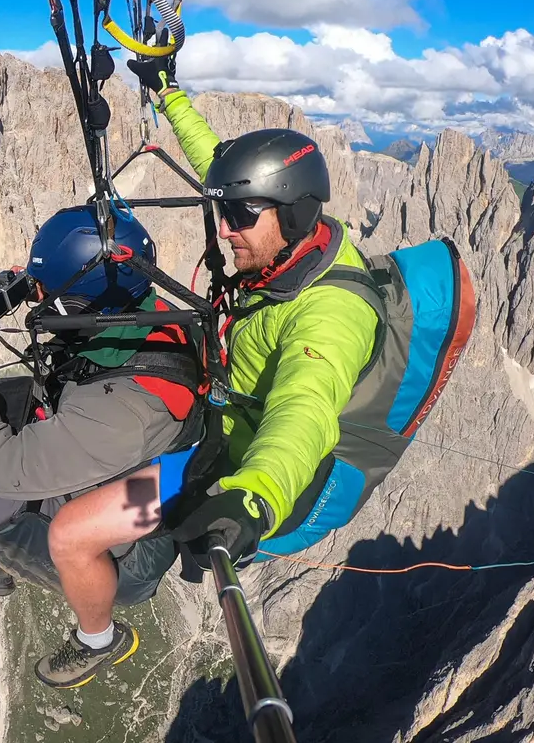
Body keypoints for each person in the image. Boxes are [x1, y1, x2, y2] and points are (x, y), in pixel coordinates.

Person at [37, 53, 381, 679]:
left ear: (295, 213)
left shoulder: (332, 315)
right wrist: (166, 91)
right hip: (206, 407)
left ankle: (99, 637)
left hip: (220, 462)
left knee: (70, 534)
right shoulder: (284, 244)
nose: (224, 230)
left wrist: (252, 497)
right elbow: (214, 162)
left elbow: (304, 408)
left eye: (240, 217)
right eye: (226, 212)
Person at [0, 204, 202, 689]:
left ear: (77, 304)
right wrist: (28, 284)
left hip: (130, 545)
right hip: (114, 449)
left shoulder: (125, 414)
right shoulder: (141, 309)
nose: (37, 300)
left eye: (46, 293)